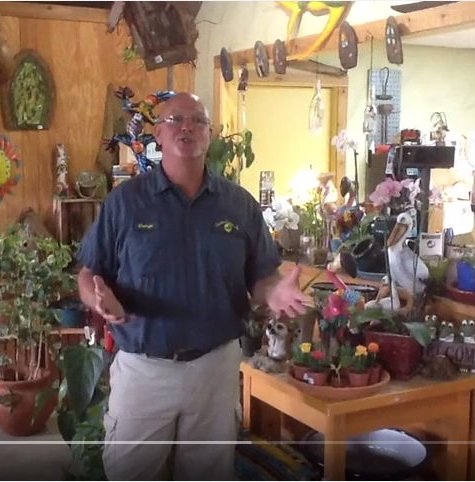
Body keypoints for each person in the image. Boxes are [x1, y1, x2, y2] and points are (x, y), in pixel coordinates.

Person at [76, 92, 312, 481]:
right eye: (175, 120)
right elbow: (89, 273)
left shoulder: (238, 204)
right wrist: (99, 300)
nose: (186, 127)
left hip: (214, 370)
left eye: (197, 120)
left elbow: (261, 277)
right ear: (157, 134)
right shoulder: (126, 202)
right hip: (144, 370)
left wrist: (275, 293)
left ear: (210, 133)